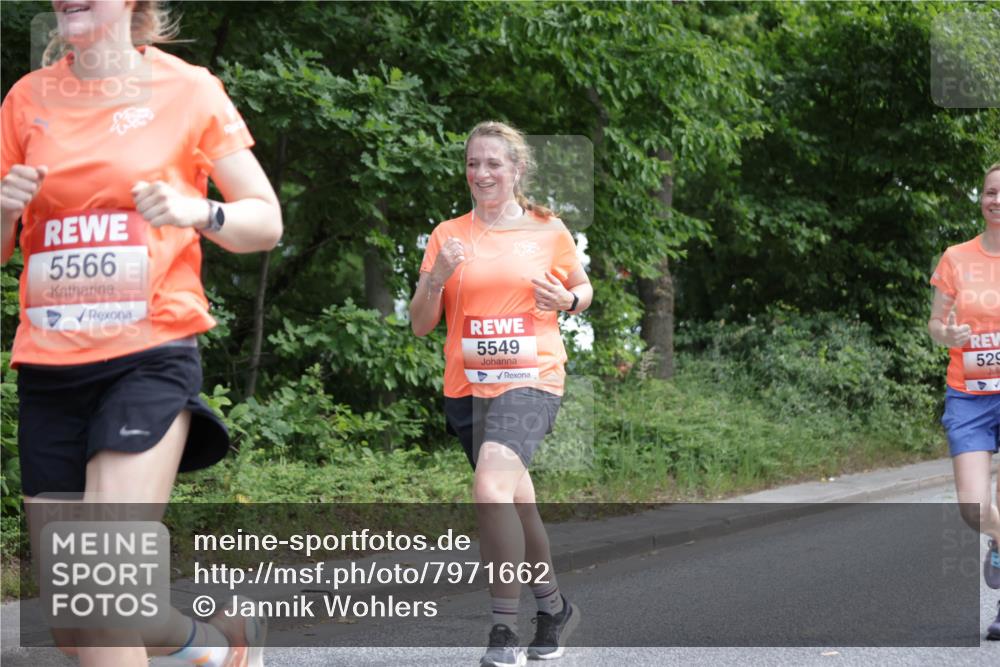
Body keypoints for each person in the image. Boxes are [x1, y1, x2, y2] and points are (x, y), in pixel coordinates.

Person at [0, 2, 281, 666]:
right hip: (50, 368)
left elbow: (263, 219)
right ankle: (216, 645)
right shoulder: (25, 100)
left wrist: (196, 208)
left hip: (147, 355)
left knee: (101, 581)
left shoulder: (188, 89)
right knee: (76, 615)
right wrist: (6, 209)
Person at [410, 121, 593, 666]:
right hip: (469, 388)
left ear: (517, 169)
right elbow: (421, 324)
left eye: (493, 163)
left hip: (533, 378)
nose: (481, 173)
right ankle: (555, 609)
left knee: (490, 486)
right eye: (473, 163)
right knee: (517, 503)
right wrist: (436, 277)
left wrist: (568, 300)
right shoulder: (447, 234)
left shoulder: (546, 228)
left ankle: (502, 630)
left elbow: (582, 287)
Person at [928, 162, 1000, 641]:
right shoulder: (956, 257)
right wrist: (947, 332)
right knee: (973, 507)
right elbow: (935, 325)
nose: (998, 200)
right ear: (981, 199)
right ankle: (997, 540)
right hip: (969, 397)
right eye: (992, 192)